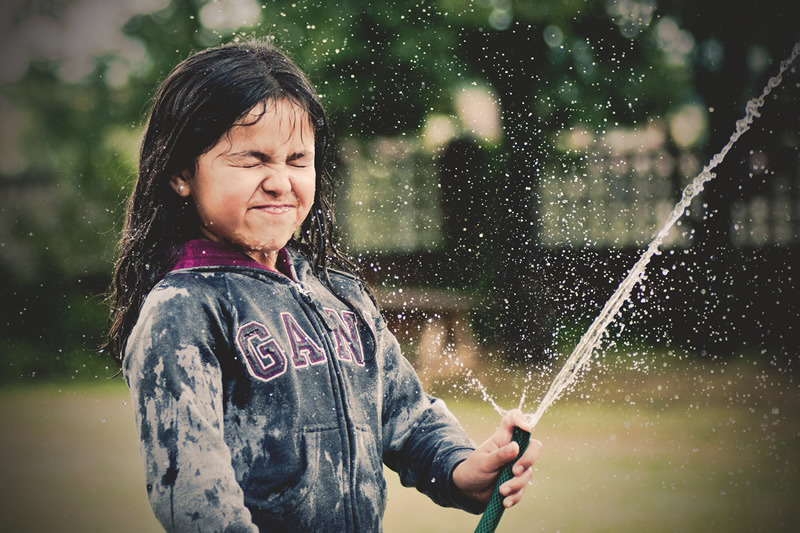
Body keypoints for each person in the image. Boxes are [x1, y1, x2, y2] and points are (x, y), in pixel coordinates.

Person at [107, 39, 542, 532]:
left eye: (297, 160)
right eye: (252, 160)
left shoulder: (342, 297)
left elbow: (407, 419)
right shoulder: (184, 311)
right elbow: (195, 497)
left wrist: (466, 472)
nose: (279, 181)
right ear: (183, 173)